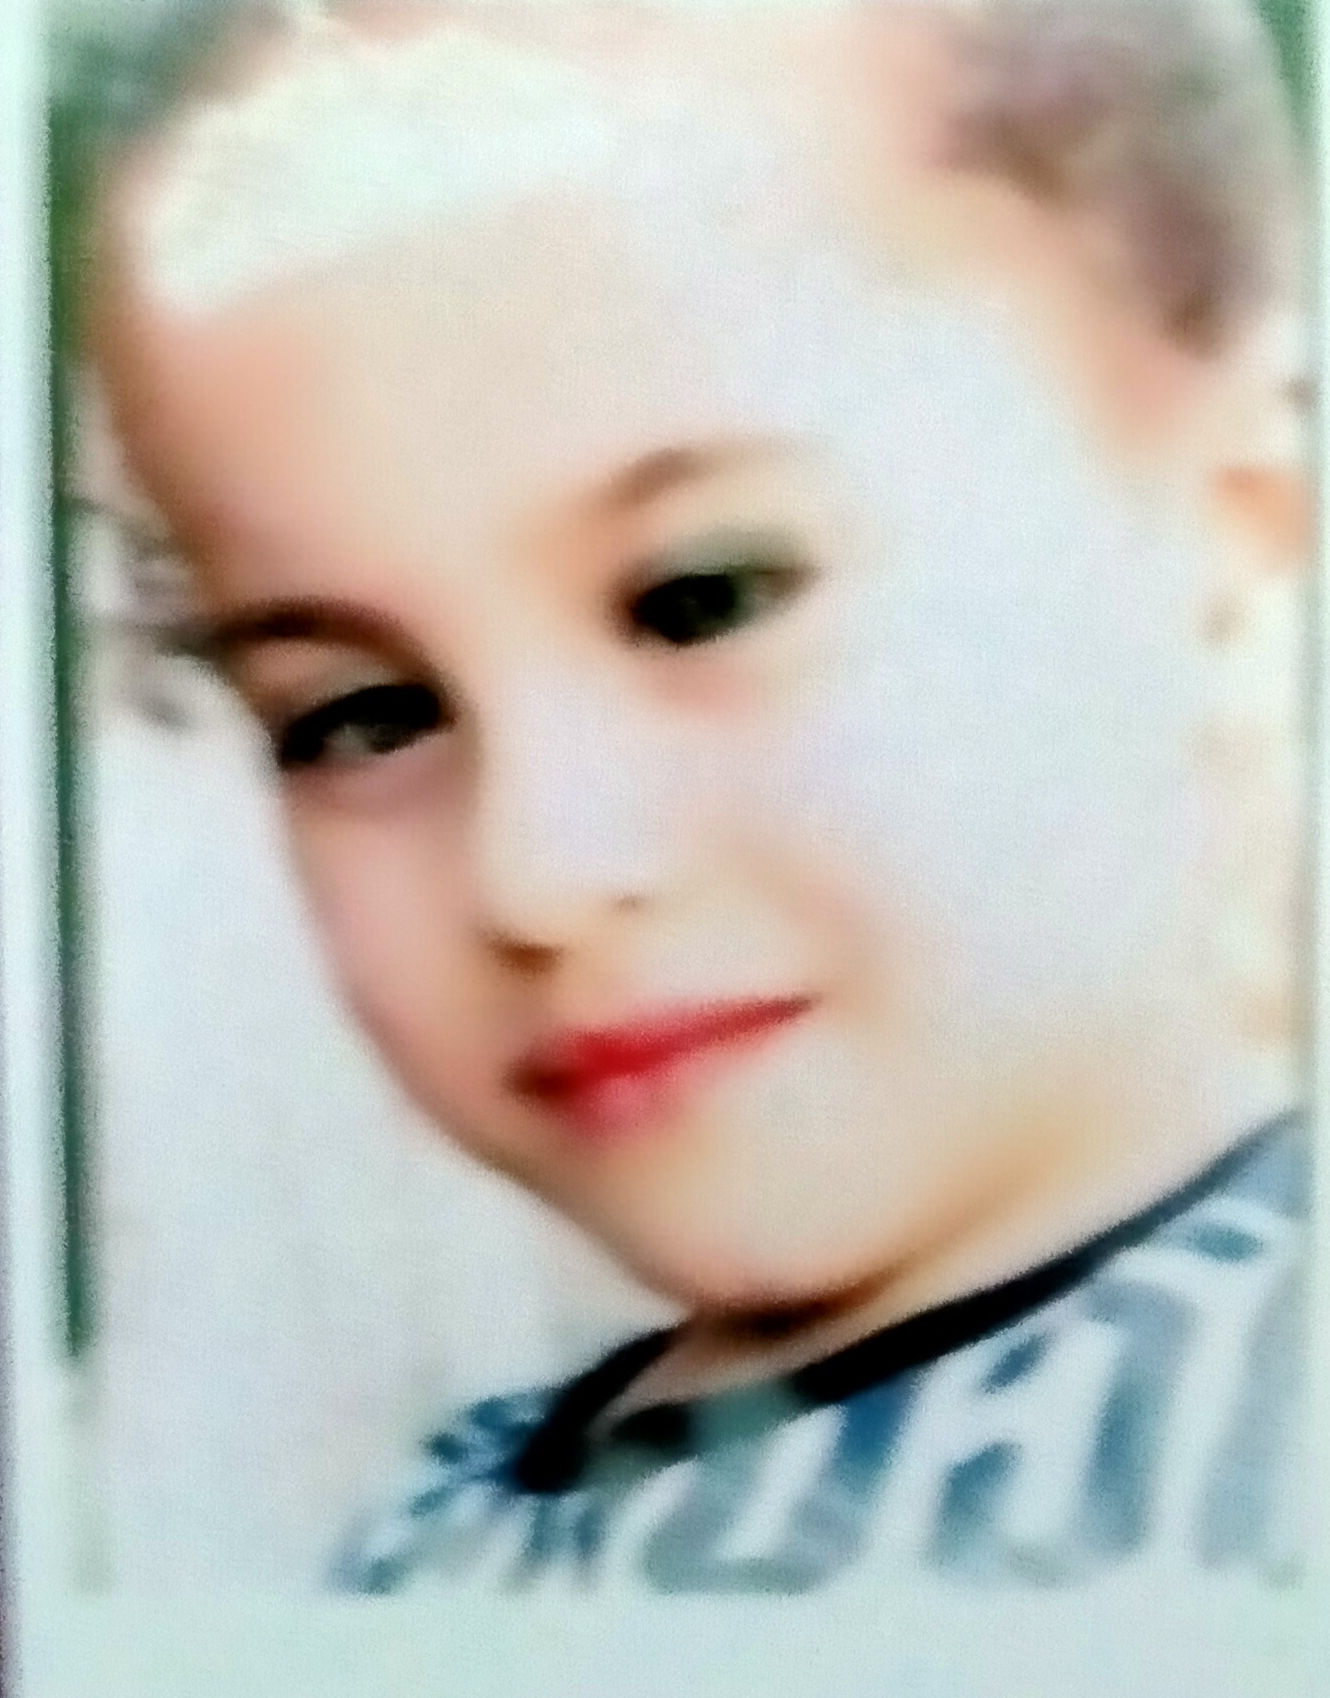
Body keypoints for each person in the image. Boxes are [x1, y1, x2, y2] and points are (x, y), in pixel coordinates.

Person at [84, 0, 1309, 1593]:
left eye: (704, 599)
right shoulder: (433, 1542)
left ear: (1232, 554)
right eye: (361, 715)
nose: (537, 871)